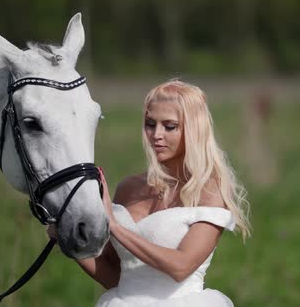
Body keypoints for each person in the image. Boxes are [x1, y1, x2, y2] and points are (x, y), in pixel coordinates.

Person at [48, 80, 251, 306]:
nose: (156, 134)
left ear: (194, 130)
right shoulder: (128, 187)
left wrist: (114, 225)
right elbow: (115, 276)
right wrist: (67, 239)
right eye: (150, 124)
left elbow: (181, 267)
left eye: (170, 126)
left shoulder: (210, 193)